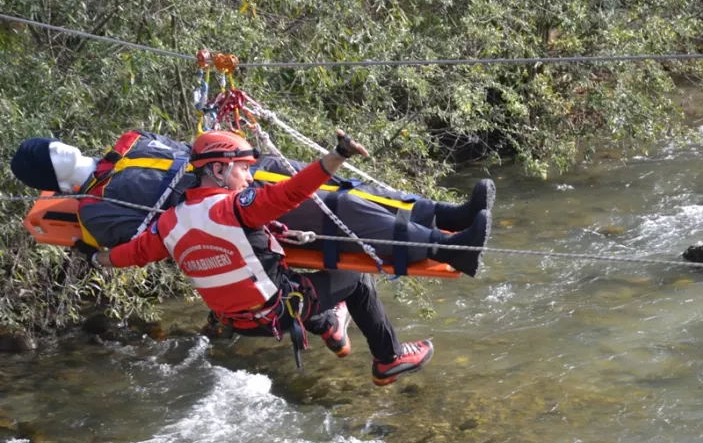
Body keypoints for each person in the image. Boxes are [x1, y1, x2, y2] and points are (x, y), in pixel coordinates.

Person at [90, 130, 434, 385]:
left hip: (237, 321)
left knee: (286, 270)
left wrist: (96, 260)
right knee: (357, 279)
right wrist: (337, 155)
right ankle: (388, 359)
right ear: (220, 171)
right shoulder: (235, 207)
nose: (250, 176)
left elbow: (131, 255)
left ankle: (329, 324)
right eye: (243, 169)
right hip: (278, 315)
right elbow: (294, 191)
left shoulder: (169, 222)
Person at [10, 131, 493, 276]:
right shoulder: (97, 210)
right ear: (50, 176)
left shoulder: (128, 145)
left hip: (234, 175)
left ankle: (448, 217)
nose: (65, 153)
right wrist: (96, 255)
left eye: (59, 146)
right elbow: (151, 243)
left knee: (345, 190)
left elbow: (185, 150)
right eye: (54, 158)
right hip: (227, 213)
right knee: (342, 215)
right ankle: (449, 249)